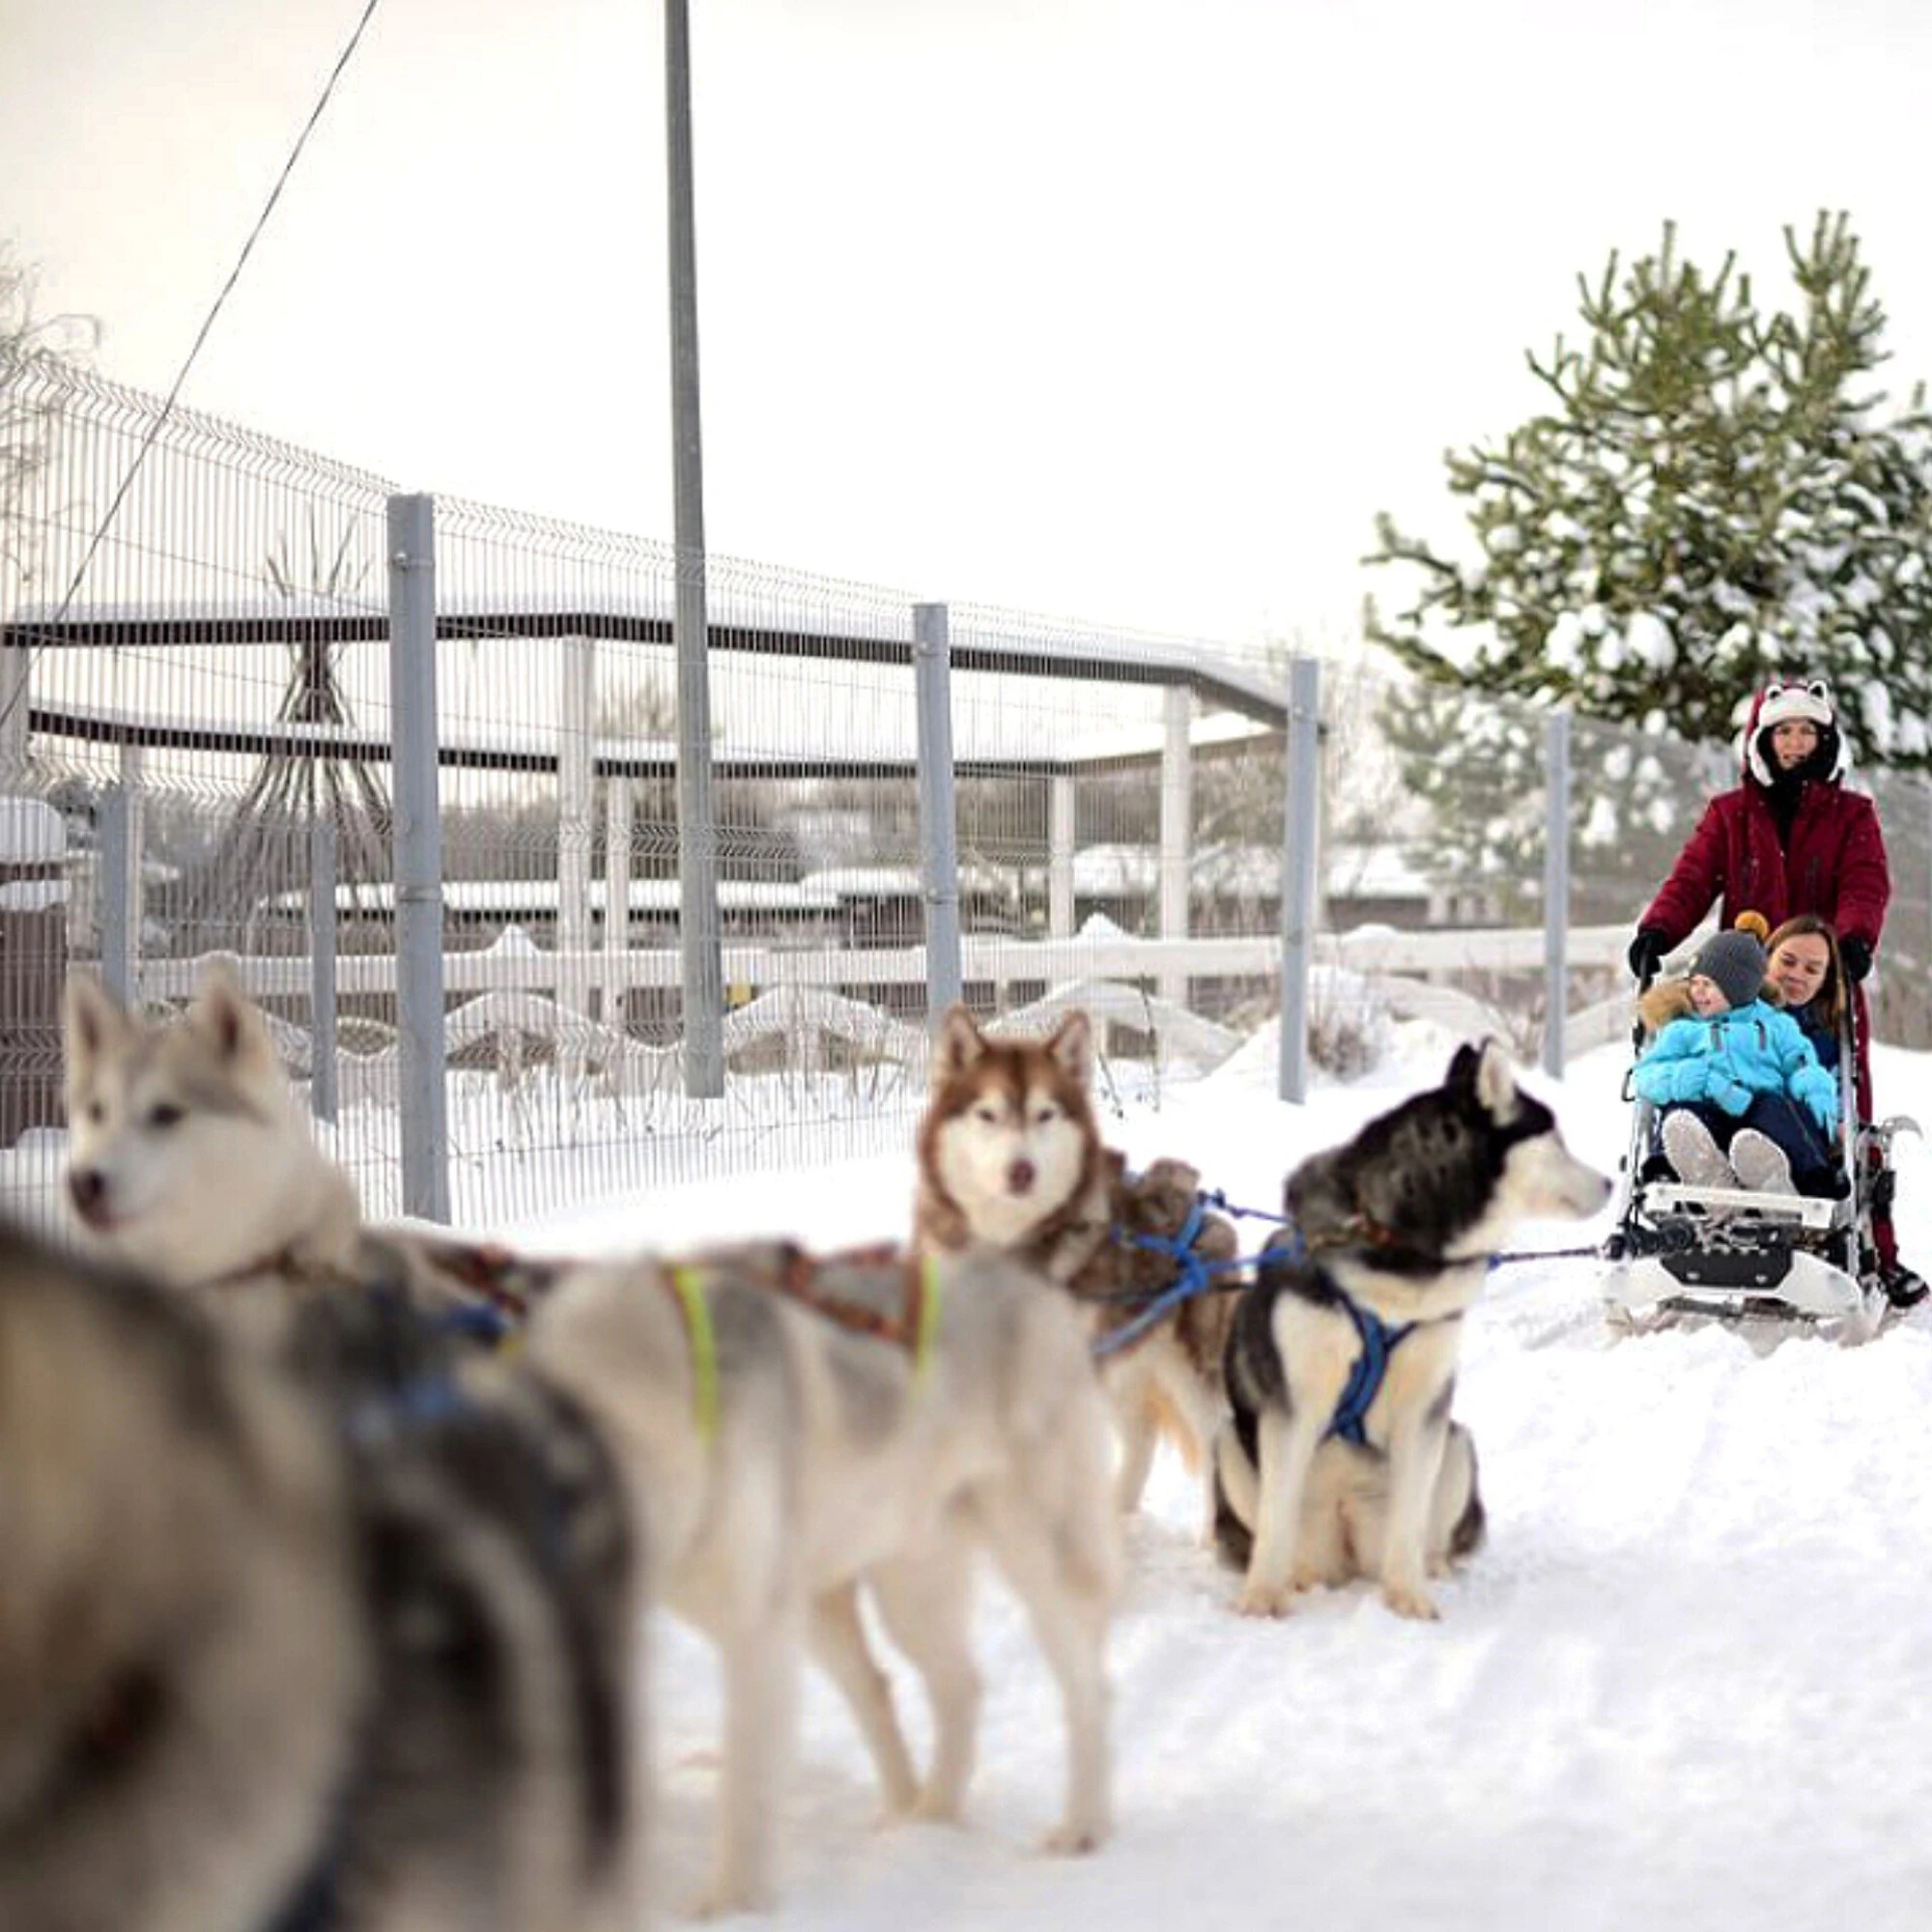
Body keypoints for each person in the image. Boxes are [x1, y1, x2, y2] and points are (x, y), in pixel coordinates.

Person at [1764, 913, 1928, 1306]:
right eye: (1787, 962)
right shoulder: (1741, 1015)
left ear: (1825, 979)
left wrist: (1840, 1121)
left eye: (1811, 970)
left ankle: (1872, 1256)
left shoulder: (1822, 1031)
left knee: (1789, 1112)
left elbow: (1835, 1087)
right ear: (1766, 959)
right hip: (1741, 1119)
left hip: (1801, 1129)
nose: (1796, 974)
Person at [1633, 927, 1841, 1197]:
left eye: (1708, 984)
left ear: (1738, 989)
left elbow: (1800, 1063)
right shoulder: (1683, 1029)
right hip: (1710, 1110)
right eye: (1694, 982)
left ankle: (1803, 1176)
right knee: (1681, 1114)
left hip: (1759, 1118)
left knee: (1780, 1109)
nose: (1697, 992)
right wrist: (1694, 1078)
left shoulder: (1777, 1025)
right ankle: (1684, 1173)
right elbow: (1646, 1074)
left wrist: (1815, 1090)